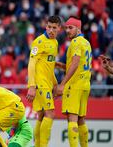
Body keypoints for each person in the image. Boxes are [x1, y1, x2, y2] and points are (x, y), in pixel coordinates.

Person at [25, 15, 62, 147]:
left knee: (41, 116)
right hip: (39, 83)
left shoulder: (55, 43)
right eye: (49, 27)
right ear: (46, 26)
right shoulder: (39, 42)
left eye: (54, 28)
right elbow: (32, 64)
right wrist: (32, 86)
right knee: (50, 113)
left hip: (47, 83)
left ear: (59, 29)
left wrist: (56, 84)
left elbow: (49, 66)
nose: (51, 30)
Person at [56, 17, 91, 147]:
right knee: (81, 119)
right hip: (85, 85)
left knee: (72, 118)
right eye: (66, 28)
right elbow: (80, 64)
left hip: (75, 85)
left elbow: (75, 63)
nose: (67, 30)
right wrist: (63, 66)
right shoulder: (86, 43)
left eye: (71, 28)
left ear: (78, 28)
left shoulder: (75, 42)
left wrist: (63, 84)